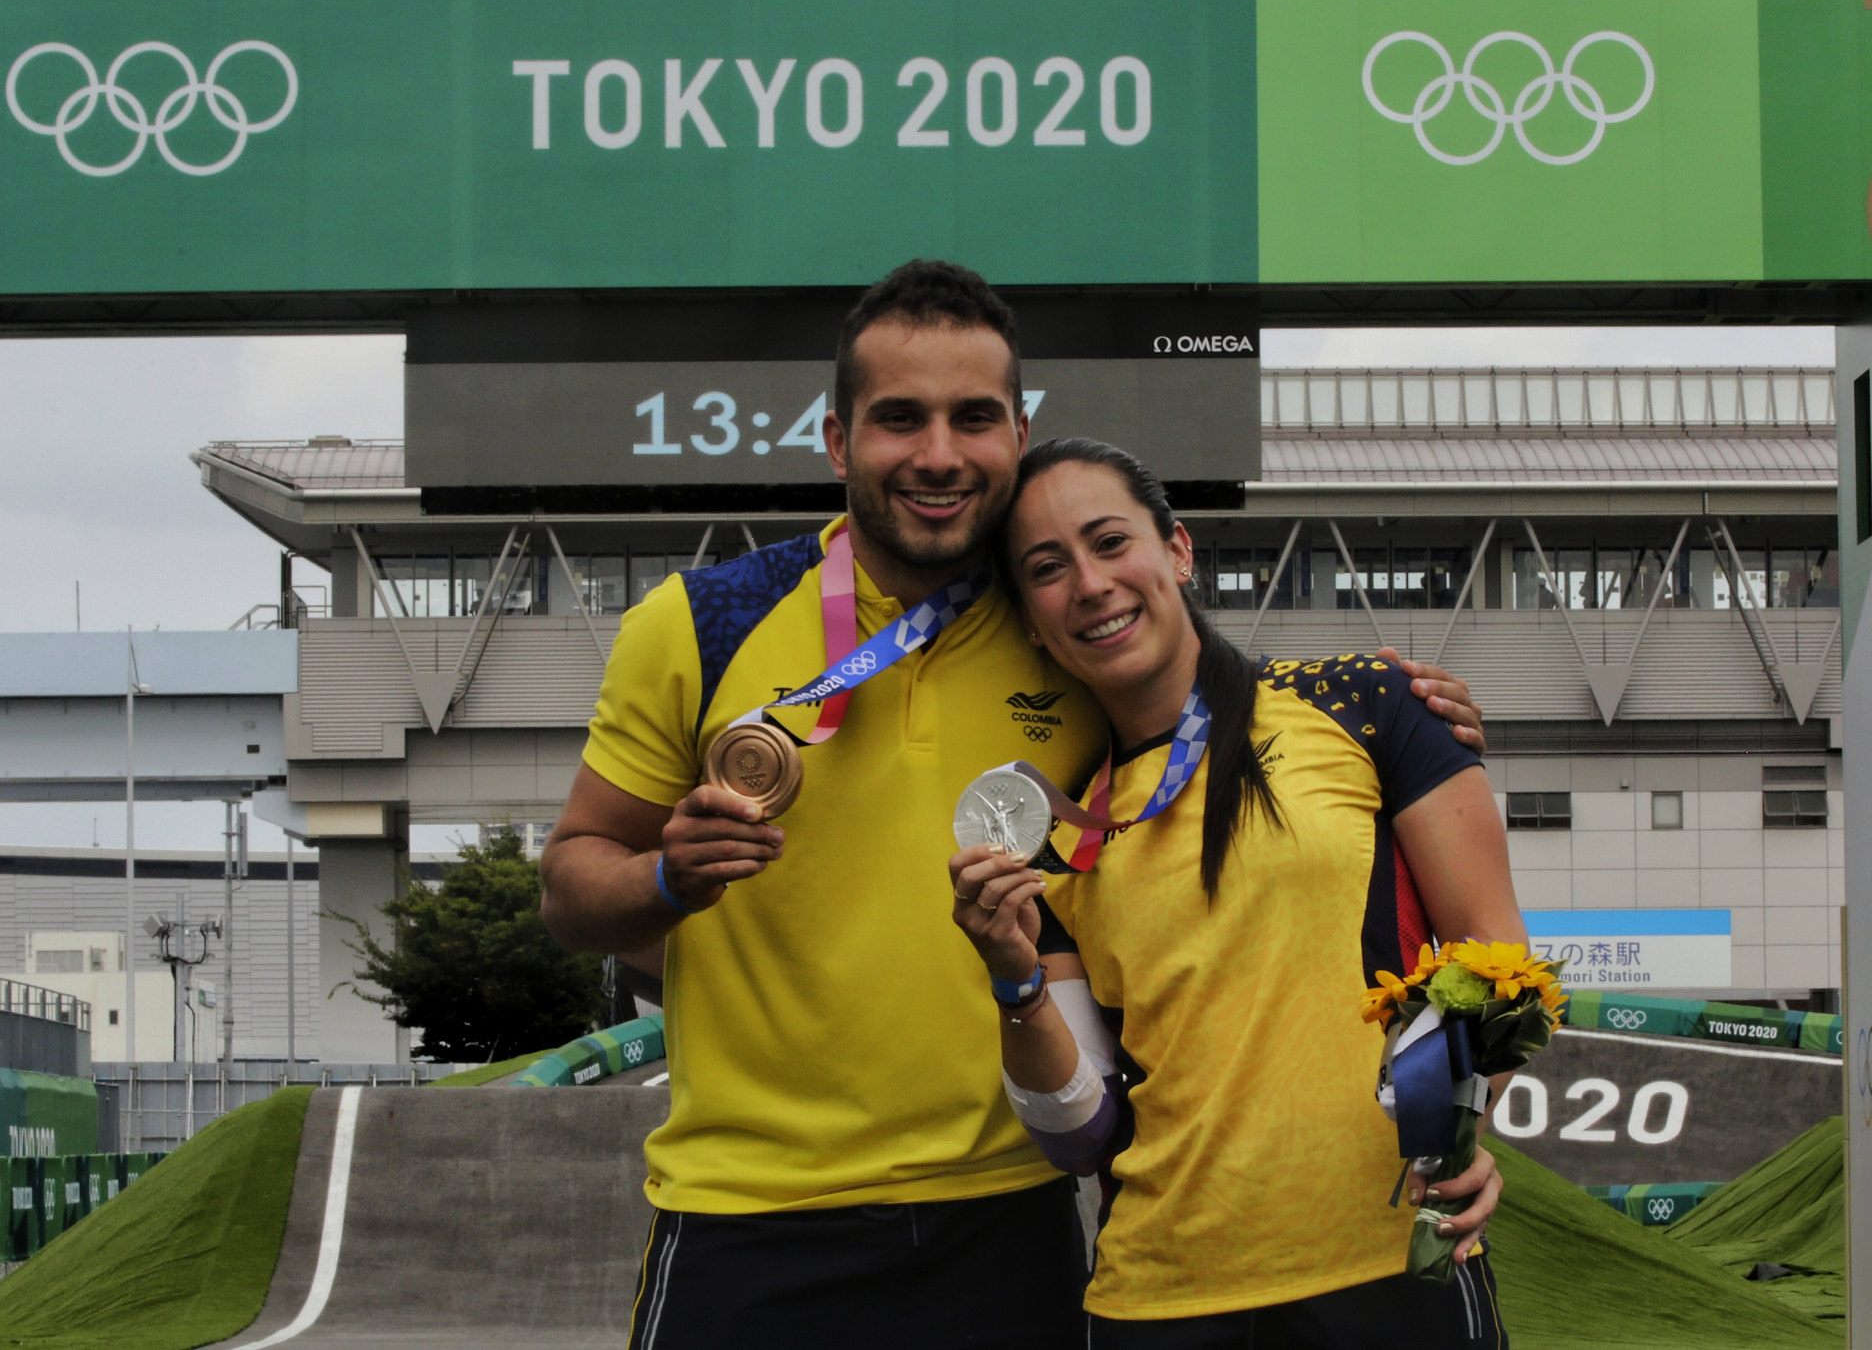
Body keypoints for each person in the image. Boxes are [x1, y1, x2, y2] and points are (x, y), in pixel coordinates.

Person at [539, 261, 1487, 1349]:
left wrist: (1397, 710)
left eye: (973, 418)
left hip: (1006, 1219)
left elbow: (1203, 704)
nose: (938, 454)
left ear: (1016, 429)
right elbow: (570, 885)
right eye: (899, 418)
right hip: (747, 1217)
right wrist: (665, 875)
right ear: (838, 441)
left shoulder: (1061, 626)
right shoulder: (698, 625)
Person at [949, 437, 1526, 1350]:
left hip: (1390, 1271)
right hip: (1158, 1301)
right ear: (1031, 619)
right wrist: (1013, 982)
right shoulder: (1056, 843)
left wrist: (1454, 1126)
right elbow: (1082, 1135)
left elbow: (1496, 956)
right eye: (1048, 568)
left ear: (1177, 550)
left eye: (1110, 542)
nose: (1091, 584)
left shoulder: (1370, 703)